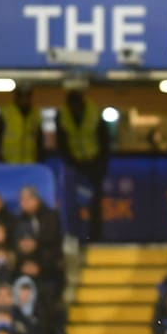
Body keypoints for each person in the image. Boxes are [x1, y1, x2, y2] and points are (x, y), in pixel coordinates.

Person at [56, 89, 111, 242]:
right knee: (72, 204)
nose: (75, 109)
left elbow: (104, 140)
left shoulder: (94, 113)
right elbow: (62, 144)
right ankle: (74, 236)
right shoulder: (63, 116)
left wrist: (101, 165)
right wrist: (72, 164)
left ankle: (94, 238)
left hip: (94, 165)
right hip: (74, 167)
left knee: (94, 204)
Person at [0, 83, 42, 164]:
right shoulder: (5, 113)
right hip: (8, 163)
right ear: (16, 97)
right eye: (21, 96)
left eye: (27, 96)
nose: (24, 99)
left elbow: (39, 140)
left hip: (30, 163)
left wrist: (39, 159)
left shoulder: (35, 115)